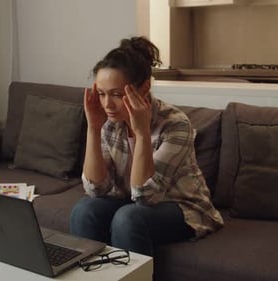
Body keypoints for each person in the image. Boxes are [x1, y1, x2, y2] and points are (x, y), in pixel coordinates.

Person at [70, 36, 223, 256]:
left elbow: (145, 196)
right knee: (84, 210)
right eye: (102, 94)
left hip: (182, 207)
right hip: (127, 201)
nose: (107, 105)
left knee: (128, 218)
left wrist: (141, 132)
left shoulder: (175, 124)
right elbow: (96, 189)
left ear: (145, 87)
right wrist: (93, 128)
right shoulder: (109, 122)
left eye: (117, 95)